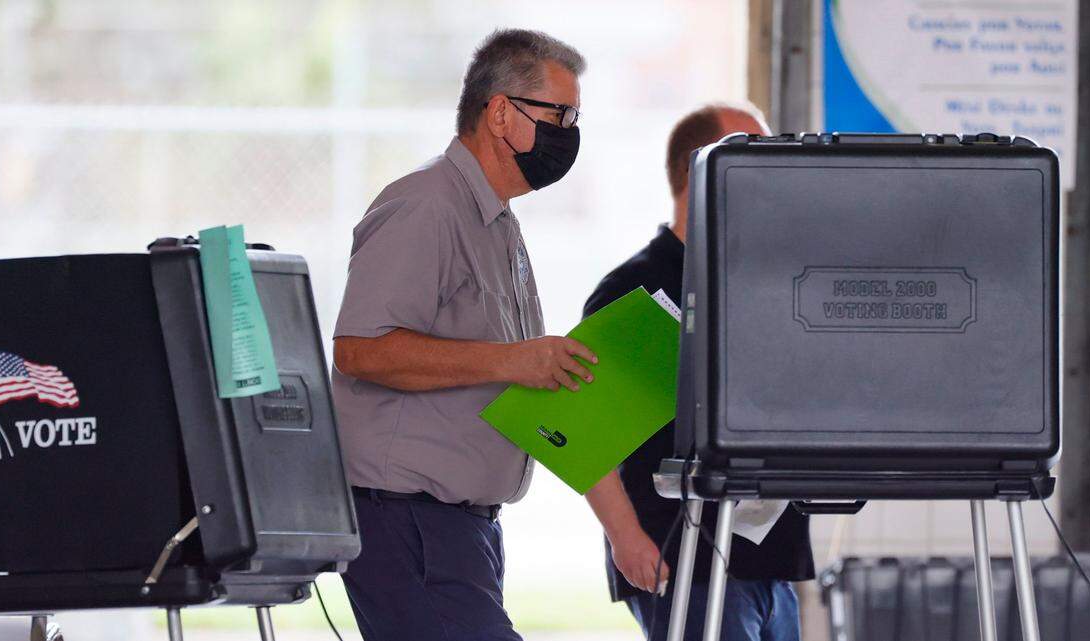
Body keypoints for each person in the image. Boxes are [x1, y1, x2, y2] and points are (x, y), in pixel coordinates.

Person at [331, 29, 595, 641]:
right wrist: (512, 362)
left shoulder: (496, 220)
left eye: (576, 116)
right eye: (560, 114)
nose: (570, 132)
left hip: (463, 527)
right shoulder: (427, 206)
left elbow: (502, 365)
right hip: (406, 522)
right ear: (501, 112)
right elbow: (360, 350)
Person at [583, 104, 815, 641]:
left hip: (769, 562)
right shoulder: (640, 288)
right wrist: (625, 538)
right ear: (699, 169)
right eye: (752, 155)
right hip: (685, 561)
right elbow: (584, 434)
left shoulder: (768, 283)